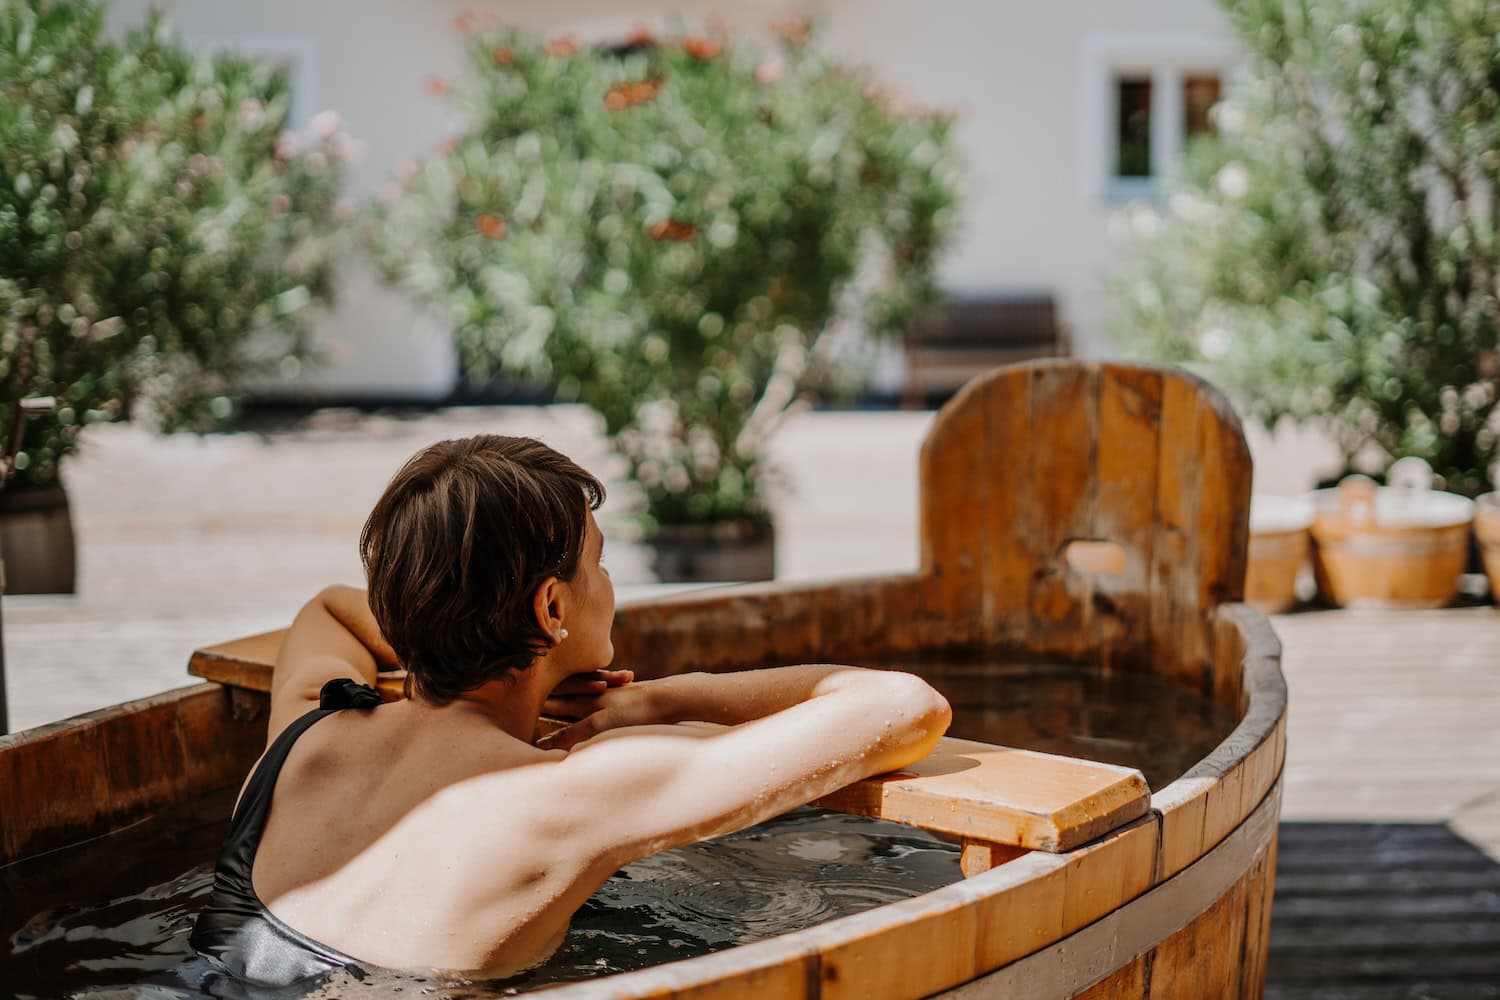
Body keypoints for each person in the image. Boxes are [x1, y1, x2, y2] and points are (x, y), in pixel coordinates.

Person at [190, 434, 952, 986]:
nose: (610, 579)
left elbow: (325, 611)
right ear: (552, 604)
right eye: (599, 561)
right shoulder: (573, 793)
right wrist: (661, 696)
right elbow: (903, 705)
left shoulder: (307, 733)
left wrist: (457, 636)